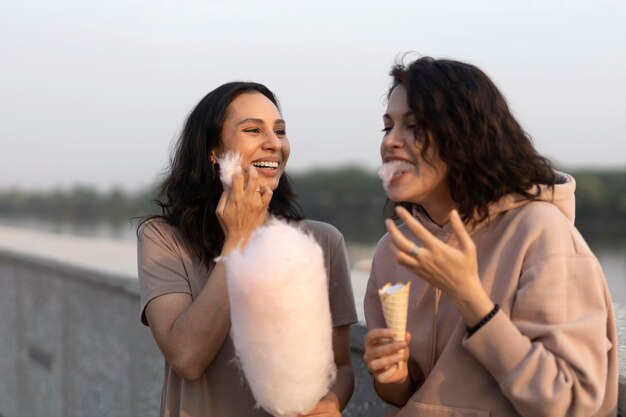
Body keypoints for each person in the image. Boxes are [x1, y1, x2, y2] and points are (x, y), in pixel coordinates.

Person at [363, 56, 617, 416]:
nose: (391, 142)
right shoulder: (393, 249)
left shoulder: (540, 232)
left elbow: (571, 402)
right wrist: (391, 376)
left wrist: (472, 300)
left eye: (414, 126)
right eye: (387, 126)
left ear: (467, 135)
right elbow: (405, 395)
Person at [137, 81, 357, 417]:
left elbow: (341, 366)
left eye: (280, 131)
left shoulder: (321, 242)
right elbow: (187, 358)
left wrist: (333, 402)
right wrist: (238, 240)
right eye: (254, 130)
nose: (274, 144)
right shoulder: (164, 239)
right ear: (213, 150)